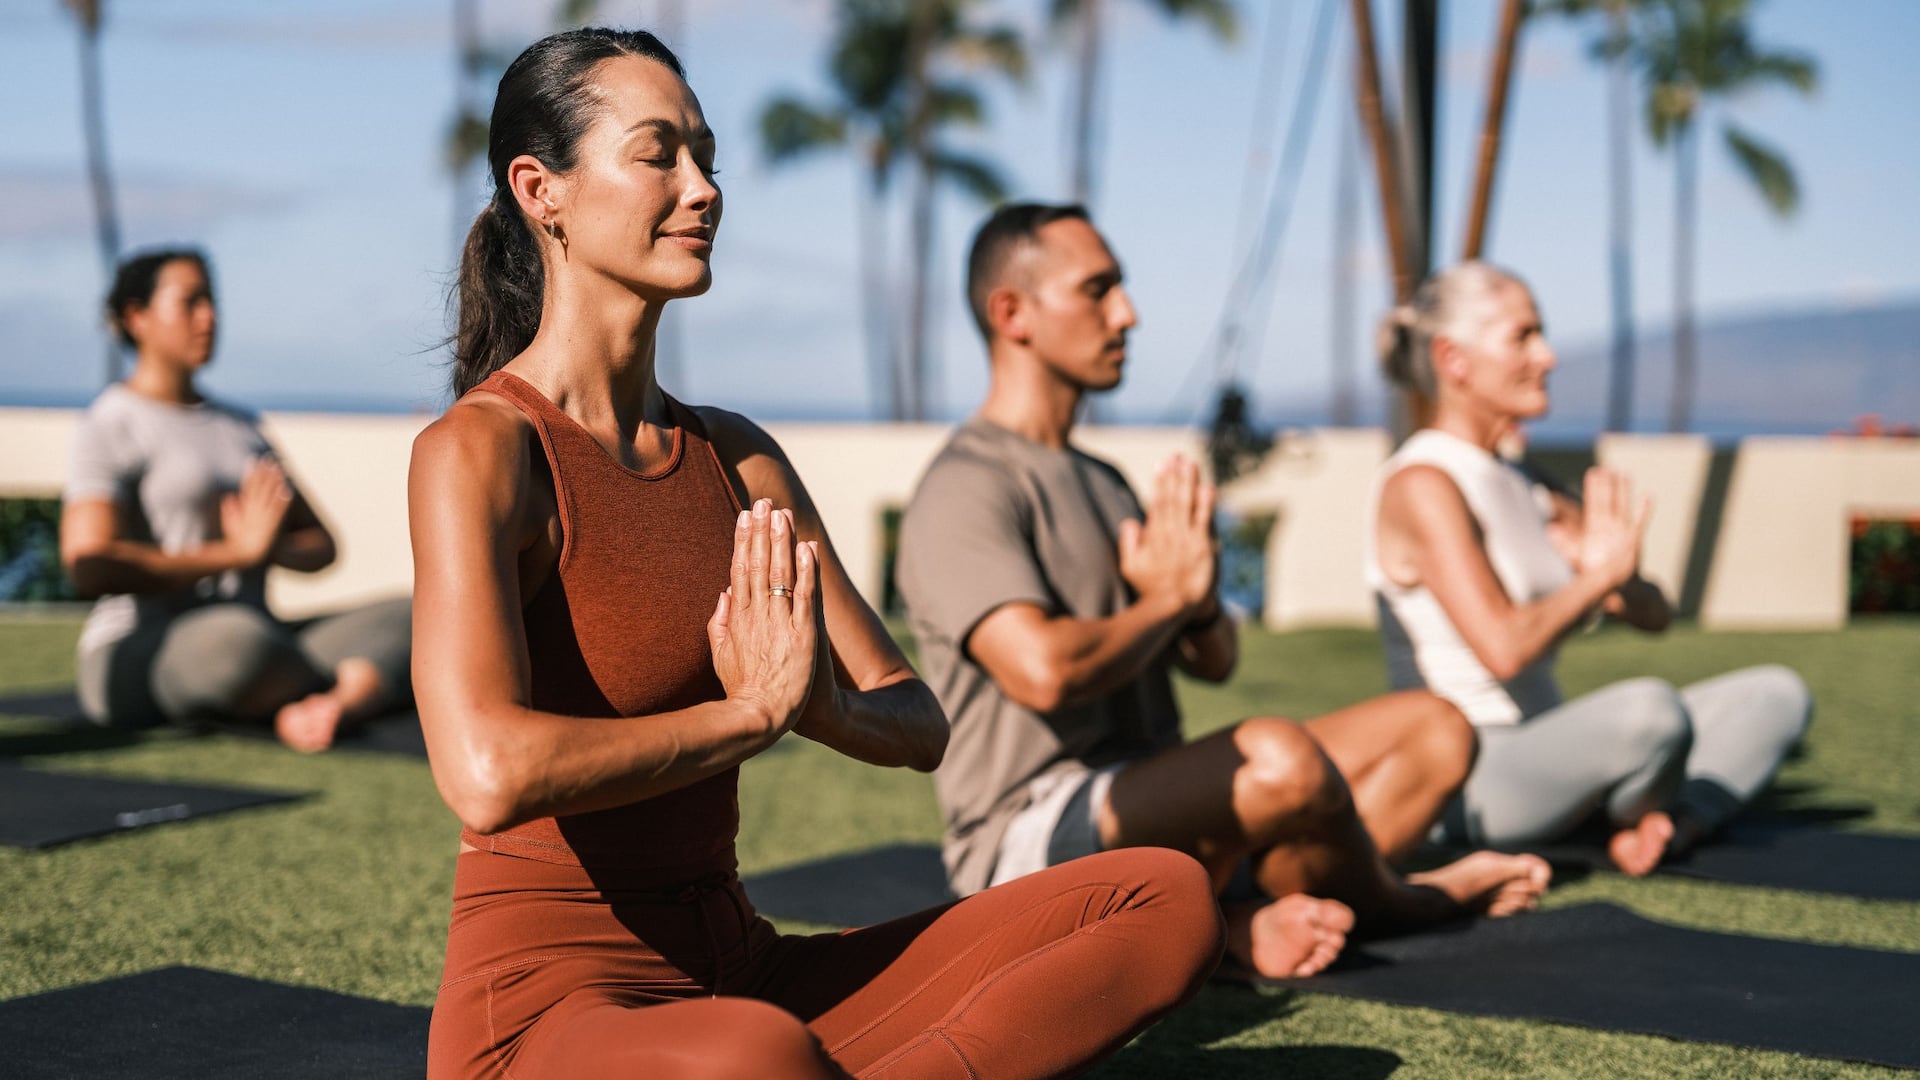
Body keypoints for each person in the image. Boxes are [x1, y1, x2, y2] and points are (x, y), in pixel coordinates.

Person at [409, 30, 1221, 1080]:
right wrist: (745, 717)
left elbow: (918, 719)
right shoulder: (483, 450)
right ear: (541, 190)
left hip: (742, 973)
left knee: (1159, 894)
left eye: (707, 157)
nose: (702, 189)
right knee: (754, 1057)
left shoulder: (736, 457)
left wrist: (818, 705)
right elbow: (486, 772)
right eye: (658, 155)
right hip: (548, 1010)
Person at [896, 203, 1551, 982]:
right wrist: (1165, 603)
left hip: (1162, 804)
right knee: (1280, 758)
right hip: (1028, 839)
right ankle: (1398, 901)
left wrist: (1196, 604)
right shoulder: (966, 486)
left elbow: (1215, 660)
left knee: (1436, 729)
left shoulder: (1104, 481)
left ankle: (1234, 916)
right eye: (1098, 291)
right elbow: (1041, 670)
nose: (1128, 315)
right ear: (1013, 315)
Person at [1369, 261, 1813, 875]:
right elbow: (1502, 649)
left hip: (1553, 742)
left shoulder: (1525, 480)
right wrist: (1594, 582)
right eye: (1523, 336)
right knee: (1651, 714)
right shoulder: (1424, 482)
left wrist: (1617, 578)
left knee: (1775, 695)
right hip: (1468, 773)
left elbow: (1655, 616)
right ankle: (1636, 799)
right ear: (1454, 360)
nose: (1547, 356)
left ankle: (1667, 822)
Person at [58, 248, 411, 752]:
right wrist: (235, 554)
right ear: (137, 318)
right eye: (191, 303)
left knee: (418, 614)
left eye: (213, 301)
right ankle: (358, 683)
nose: (211, 317)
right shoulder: (111, 422)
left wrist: (271, 549)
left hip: (265, 637)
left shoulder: (241, 427)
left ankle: (333, 703)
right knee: (234, 643)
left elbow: (321, 544)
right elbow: (90, 564)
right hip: (151, 648)